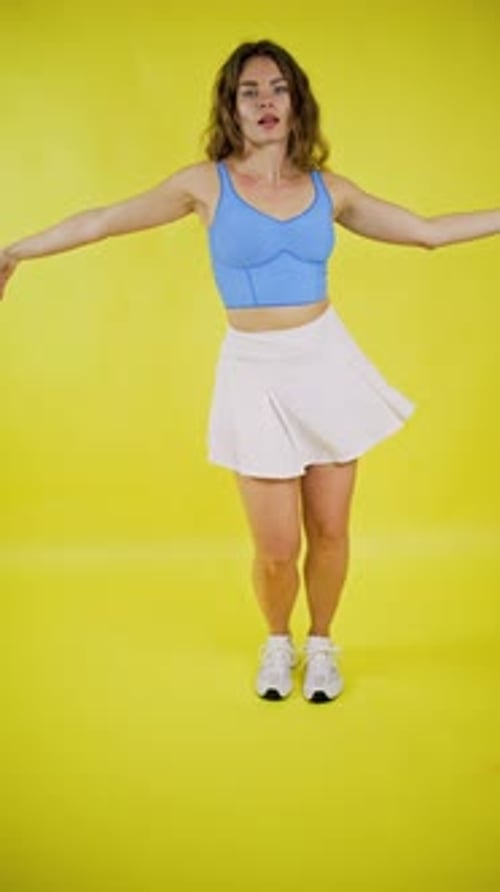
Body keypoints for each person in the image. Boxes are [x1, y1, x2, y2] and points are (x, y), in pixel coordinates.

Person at [1, 40, 498, 704]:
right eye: (249, 91)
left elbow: (427, 232)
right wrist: (16, 250)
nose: (266, 102)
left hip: (326, 363)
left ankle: (321, 643)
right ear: (230, 107)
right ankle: (277, 639)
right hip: (253, 371)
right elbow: (102, 221)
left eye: (278, 89)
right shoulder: (203, 184)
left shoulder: (332, 190)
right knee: (274, 547)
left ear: (298, 103)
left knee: (330, 531)